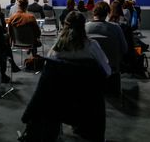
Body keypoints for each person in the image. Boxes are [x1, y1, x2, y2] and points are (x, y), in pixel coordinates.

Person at [22, 11, 110, 142]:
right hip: (88, 103)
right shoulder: (92, 46)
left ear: (64, 26)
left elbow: (47, 78)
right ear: (83, 26)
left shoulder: (56, 50)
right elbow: (106, 72)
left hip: (59, 104)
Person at [85, 1, 128, 66]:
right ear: (107, 13)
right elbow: (124, 49)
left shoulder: (84, 27)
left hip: (90, 69)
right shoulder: (116, 28)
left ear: (94, 12)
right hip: (112, 68)